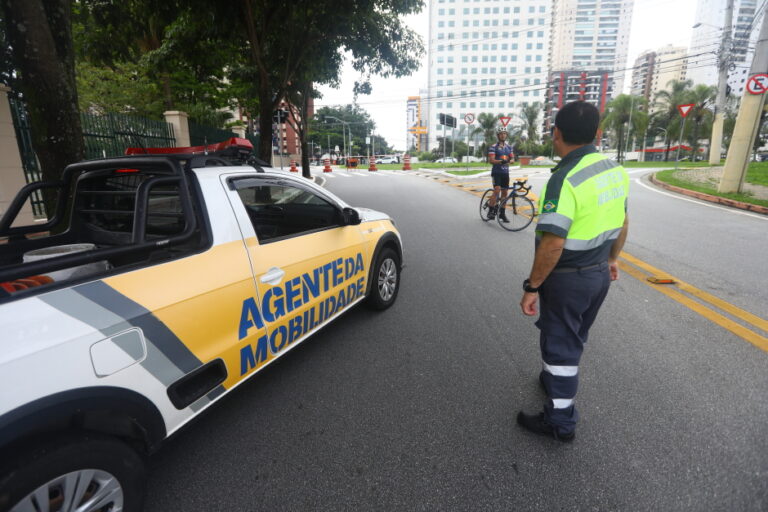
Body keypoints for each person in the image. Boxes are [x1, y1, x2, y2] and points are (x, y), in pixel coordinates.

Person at [517, 101, 630, 442]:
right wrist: (612, 259)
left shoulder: (564, 178)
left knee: (561, 346)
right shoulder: (615, 170)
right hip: (598, 274)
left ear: (557, 134)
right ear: (597, 134)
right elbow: (623, 222)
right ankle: (555, 380)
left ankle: (560, 421)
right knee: (573, 336)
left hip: (569, 278)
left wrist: (532, 286)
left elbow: (553, 242)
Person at [486, 126, 515, 222]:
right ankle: (490, 211)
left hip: (505, 173)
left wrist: (511, 161)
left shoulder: (509, 147)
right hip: (496, 172)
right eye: (501, 134)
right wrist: (500, 161)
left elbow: (512, 158)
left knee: (505, 193)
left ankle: (502, 213)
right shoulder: (493, 147)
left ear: (506, 135)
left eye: (504, 133)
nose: (503, 135)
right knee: (497, 190)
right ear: (498, 135)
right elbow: (491, 160)